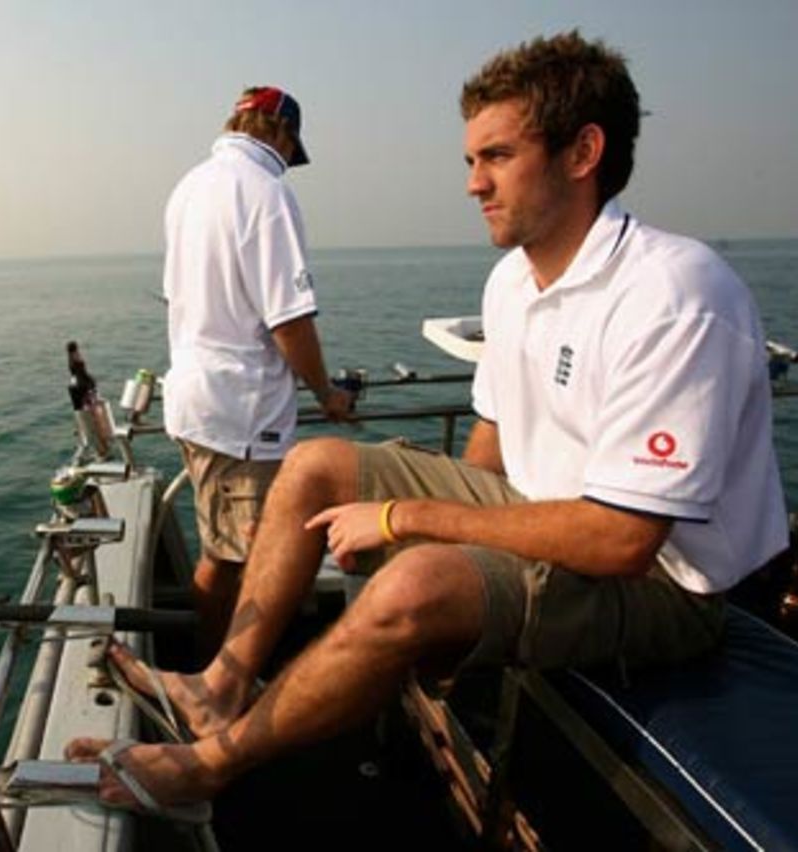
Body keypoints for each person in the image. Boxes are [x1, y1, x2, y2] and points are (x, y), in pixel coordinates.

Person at [67, 31, 788, 815]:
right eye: (470, 161)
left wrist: (407, 520)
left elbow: (623, 540)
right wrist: (450, 524)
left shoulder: (676, 296)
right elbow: (490, 444)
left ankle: (211, 765)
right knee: (313, 466)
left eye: (498, 157)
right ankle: (220, 685)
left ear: (583, 152)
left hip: (667, 586)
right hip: (547, 516)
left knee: (415, 579)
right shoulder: (514, 282)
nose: (475, 184)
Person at [162, 85, 352, 657]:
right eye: (293, 151)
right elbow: (289, 320)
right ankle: (220, 679)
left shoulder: (190, 187)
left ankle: (218, 670)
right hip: (241, 418)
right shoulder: (265, 193)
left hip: (200, 401)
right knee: (244, 559)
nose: (291, 165)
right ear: (281, 132)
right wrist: (327, 393)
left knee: (224, 552)